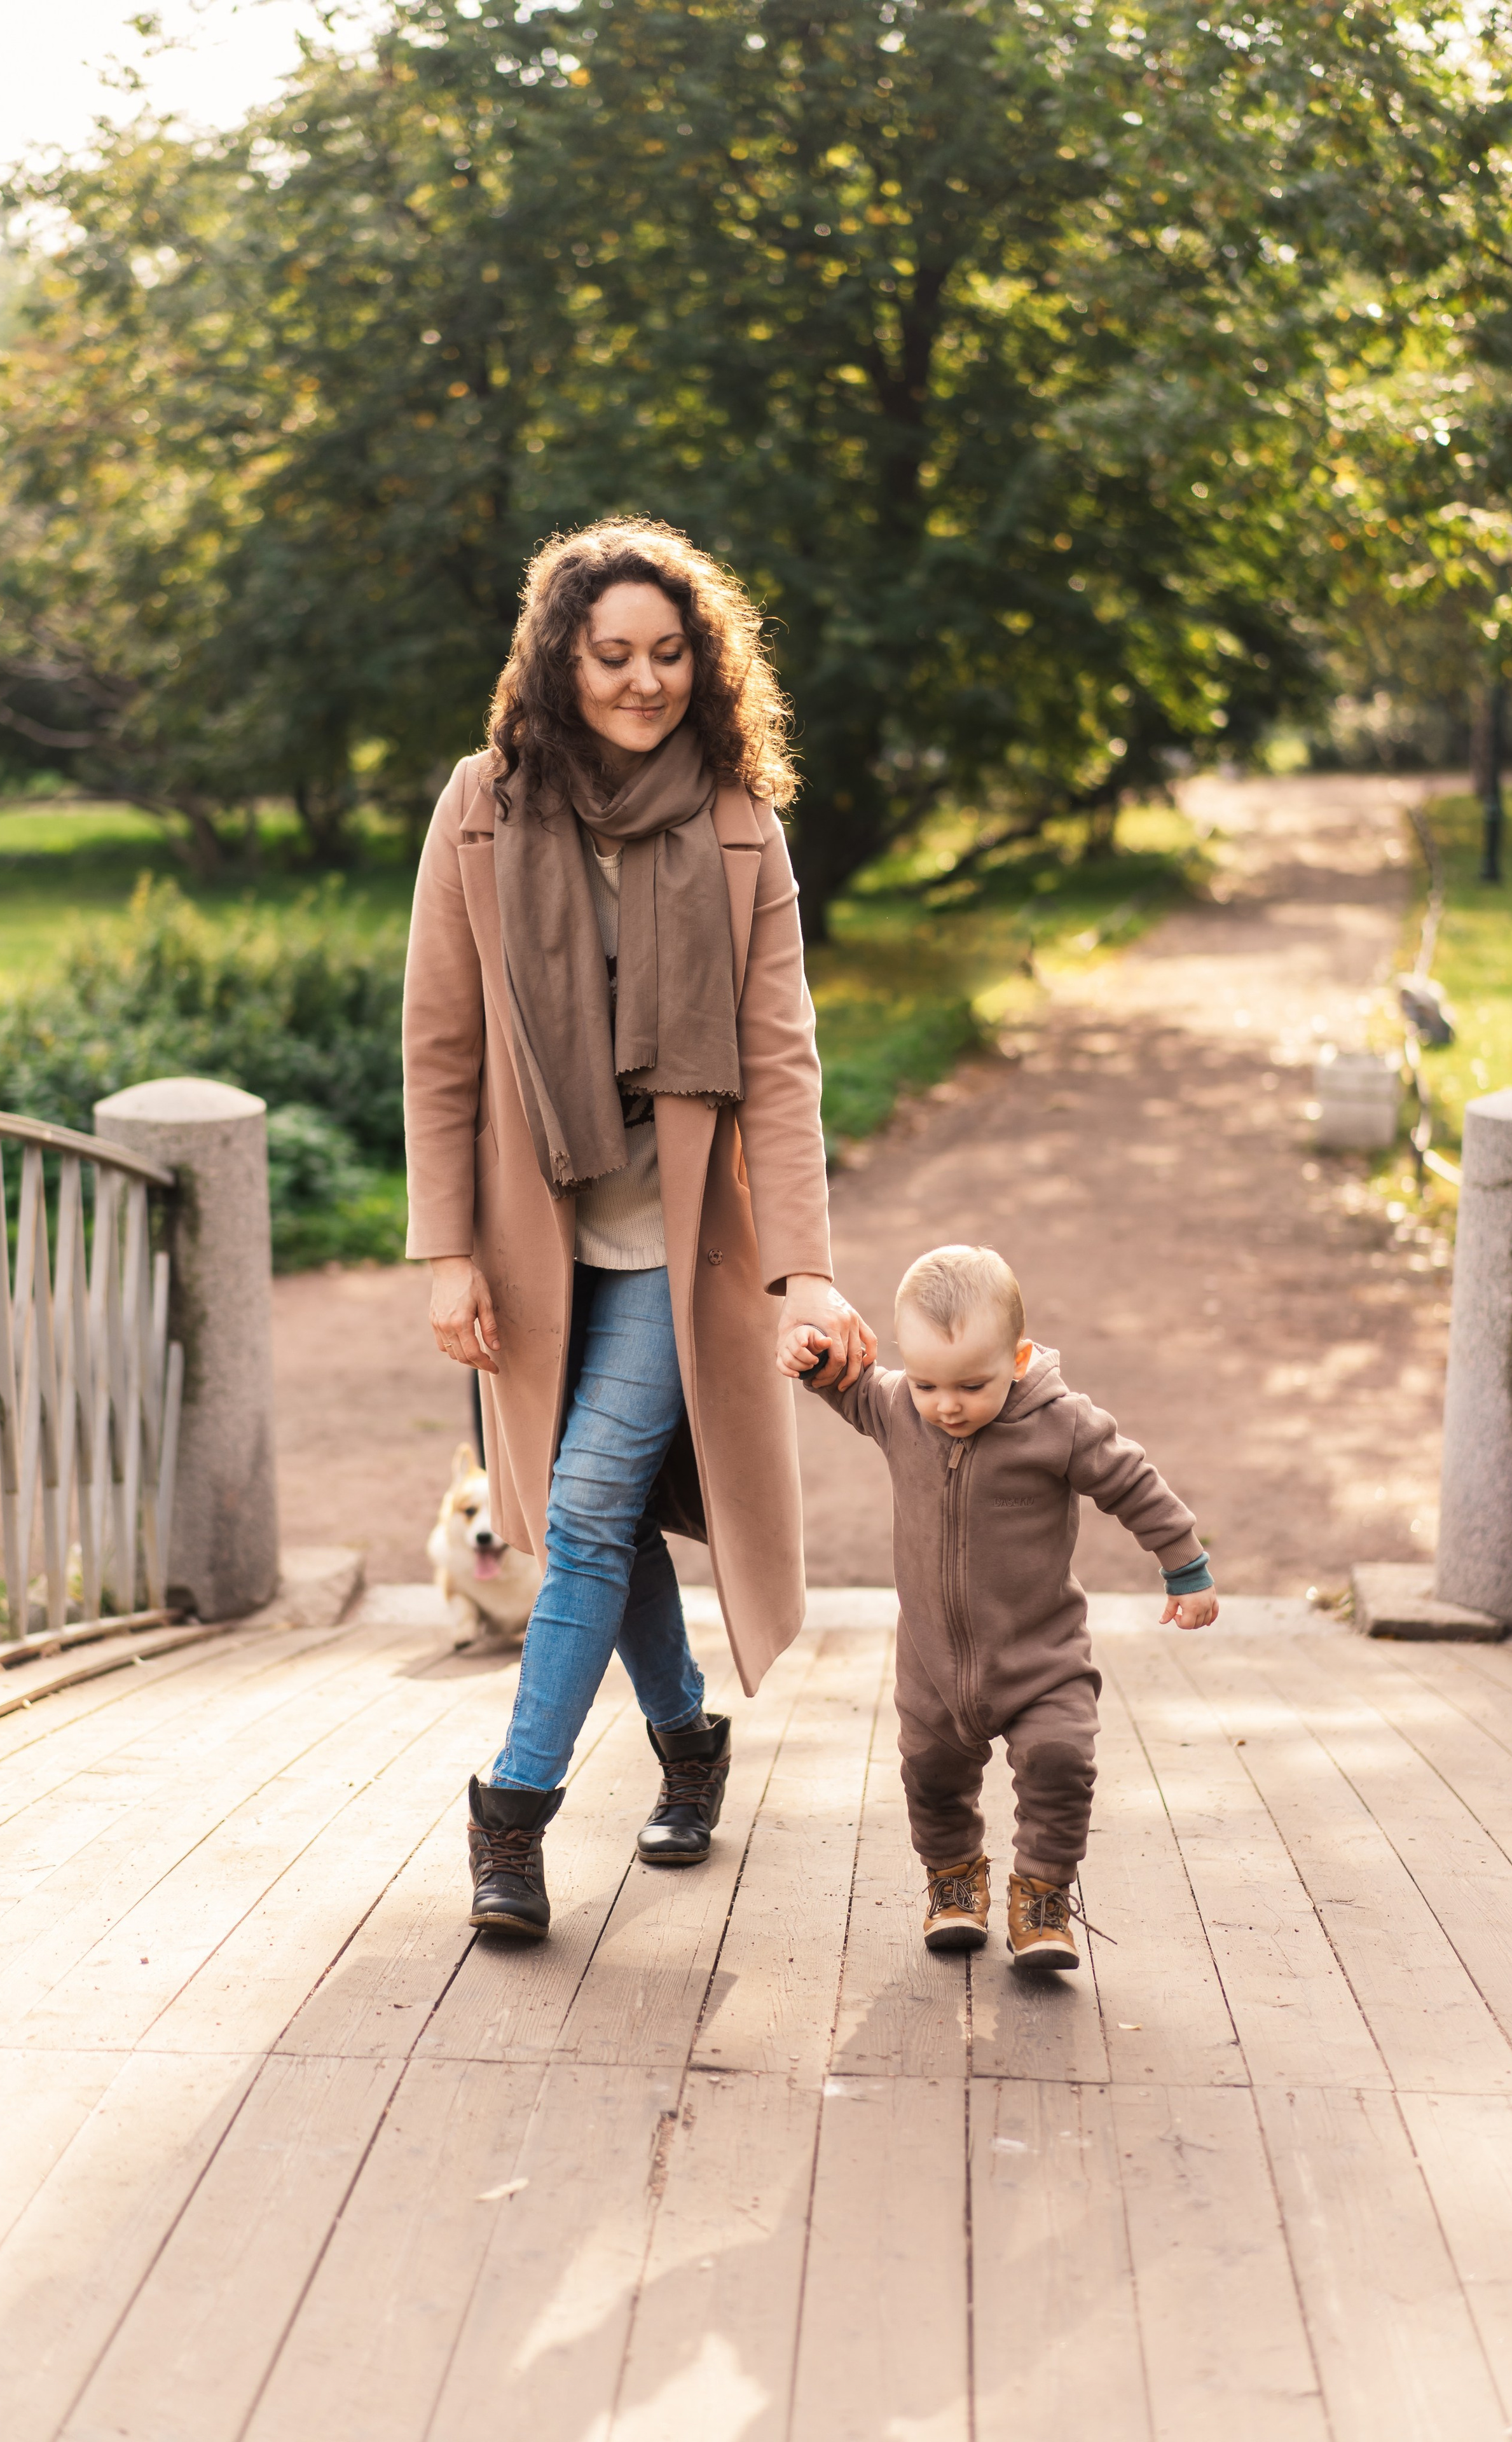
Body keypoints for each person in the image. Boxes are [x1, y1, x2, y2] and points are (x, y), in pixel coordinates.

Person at [402, 517, 876, 1941]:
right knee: (597, 1520)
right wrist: (446, 1251)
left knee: (588, 1509)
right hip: (533, 1243)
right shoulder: (480, 807)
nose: (644, 681)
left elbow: (779, 1063)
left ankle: (512, 1810)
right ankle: (687, 1735)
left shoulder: (739, 823)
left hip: (682, 1246)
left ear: (704, 664)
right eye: (612, 654)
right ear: (560, 659)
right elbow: (440, 1045)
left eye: (670, 654)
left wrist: (806, 1272)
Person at [782, 1243, 1216, 1969]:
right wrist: (815, 1357)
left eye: (971, 1385)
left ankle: (1042, 1896)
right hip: (932, 1662)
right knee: (930, 1775)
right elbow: (847, 1385)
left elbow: (1133, 1483)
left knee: (1061, 1761)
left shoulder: (1061, 1425)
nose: (946, 1405)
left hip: (1041, 1656)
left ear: (1017, 1359)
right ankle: (954, 1882)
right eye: (926, 1383)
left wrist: (1185, 1567)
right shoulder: (899, 1408)